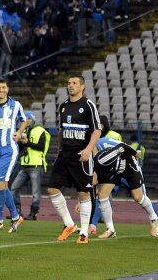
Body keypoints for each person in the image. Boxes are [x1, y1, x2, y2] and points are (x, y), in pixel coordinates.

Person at [45, 74, 102, 244]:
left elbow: (97, 131)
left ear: (82, 86)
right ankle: (69, 224)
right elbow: (62, 130)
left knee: (83, 193)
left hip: (81, 154)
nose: (70, 85)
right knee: (52, 189)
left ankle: (83, 232)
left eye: (74, 83)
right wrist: (59, 148)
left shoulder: (88, 105)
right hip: (65, 154)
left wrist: (88, 150)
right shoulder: (63, 106)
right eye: (69, 83)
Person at [92, 127, 158, 238]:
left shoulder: (103, 145)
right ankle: (110, 230)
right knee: (102, 195)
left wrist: (135, 153)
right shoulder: (91, 156)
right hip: (114, 168)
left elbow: (122, 146)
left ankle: (154, 219)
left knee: (138, 197)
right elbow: (94, 179)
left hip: (128, 162)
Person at [0, 78, 28, 233]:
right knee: (2, 185)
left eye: (3, 87)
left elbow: (24, 120)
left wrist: (19, 132)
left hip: (9, 149)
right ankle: (16, 216)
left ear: (7, 89)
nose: (1, 90)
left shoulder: (15, 105)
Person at [11, 111, 49, 221]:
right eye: (24, 119)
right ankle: (17, 211)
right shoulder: (24, 131)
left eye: (27, 118)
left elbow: (42, 147)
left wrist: (27, 142)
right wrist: (20, 142)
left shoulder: (41, 131)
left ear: (32, 119)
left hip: (36, 165)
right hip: (25, 165)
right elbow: (21, 148)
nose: (25, 121)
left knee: (35, 192)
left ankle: (33, 213)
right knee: (14, 188)